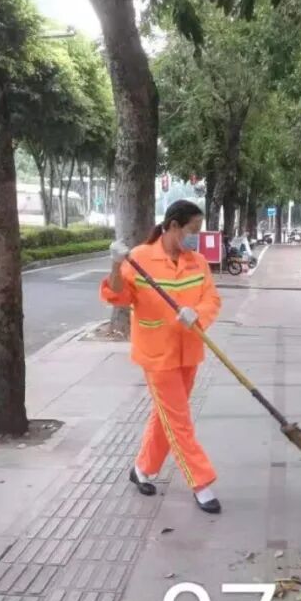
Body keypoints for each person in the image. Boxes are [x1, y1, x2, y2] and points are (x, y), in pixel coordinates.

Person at [100, 200, 222, 514]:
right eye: (193, 230)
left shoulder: (197, 262)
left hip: (189, 350)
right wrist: (115, 264)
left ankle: (142, 469)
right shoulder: (140, 258)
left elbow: (212, 298)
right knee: (179, 420)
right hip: (156, 354)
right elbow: (117, 295)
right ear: (173, 226)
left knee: (166, 415)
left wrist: (198, 314)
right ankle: (201, 482)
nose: (196, 238)